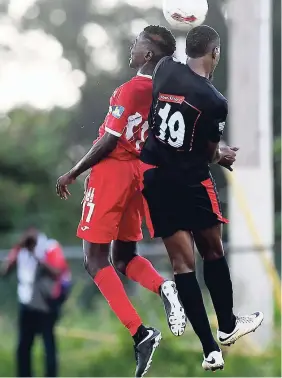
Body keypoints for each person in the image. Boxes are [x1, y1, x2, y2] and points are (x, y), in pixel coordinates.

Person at [56, 26, 187, 378]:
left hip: (112, 173)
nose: (132, 47)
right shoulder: (166, 93)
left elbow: (110, 140)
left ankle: (140, 333)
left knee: (93, 258)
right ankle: (165, 286)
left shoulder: (130, 89)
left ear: (148, 55)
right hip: (138, 175)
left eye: (138, 44)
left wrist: (73, 171)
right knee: (123, 256)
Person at [140, 25, 264, 371]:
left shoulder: (165, 71)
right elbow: (209, 152)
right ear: (216, 53)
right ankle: (226, 326)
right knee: (212, 250)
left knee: (182, 265)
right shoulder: (214, 101)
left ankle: (210, 350)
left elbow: (165, 59)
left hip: (155, 177)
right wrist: (222, 155)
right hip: (191, 182)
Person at [0, 228, 71, 377]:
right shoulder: (21, 248)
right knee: (24, 345)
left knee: (48, 342)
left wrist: (37, 256)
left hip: (47, 303)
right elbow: (5, 271)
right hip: (26, 303)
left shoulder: (50, 247)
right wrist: (18, 250)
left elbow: (58, 271)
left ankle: (51, 375)